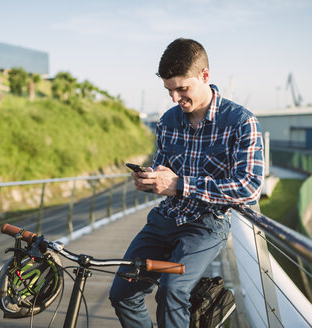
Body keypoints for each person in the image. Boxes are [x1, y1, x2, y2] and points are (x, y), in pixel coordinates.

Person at [109, 38, 264, 327]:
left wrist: (181, 184)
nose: (174, 98)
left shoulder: (241, 122)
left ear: (205, 76)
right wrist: (150, 178)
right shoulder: (168, 121)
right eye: (169, 90)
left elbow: (249, 186)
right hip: (164, 219)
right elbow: (163, 167)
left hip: (205, 225)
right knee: (122, 293)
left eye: (182, 88)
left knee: (172, 291)